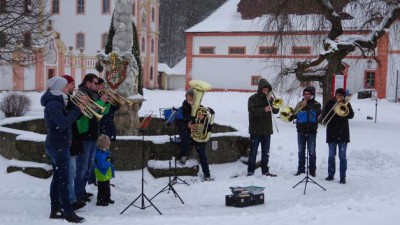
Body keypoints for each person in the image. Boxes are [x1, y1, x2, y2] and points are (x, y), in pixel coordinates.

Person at [40, 76, 85, 223]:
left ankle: (55, 209)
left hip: (59, 144)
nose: (68, 89)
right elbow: (63, 123)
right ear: (59, 88)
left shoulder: (59, 101)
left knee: (58, 178)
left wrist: (78, 110)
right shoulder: (54, 104)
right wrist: (77, 110)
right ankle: (68, 212)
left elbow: (66, 121)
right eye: (66, 86)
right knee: (64, 180)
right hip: (58, 145)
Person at [74, 73, 108, 203]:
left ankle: (81, 192)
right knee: (82, 167)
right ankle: (78, 194)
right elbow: (88, 111)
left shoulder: (94, 94)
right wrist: (100, 101)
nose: (96, 85)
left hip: (93, 134)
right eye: (95, 83)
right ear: (87, 83)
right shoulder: (81, 94)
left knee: (88, 167)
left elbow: (101, 111)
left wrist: (106, 102)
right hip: (84, 134)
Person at [62, 75, 86, 211]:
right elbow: (67, 119)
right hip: (68, 139)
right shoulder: (64, 100)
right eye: (72, 84)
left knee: (72, 170)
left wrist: (81, 106)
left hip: (73, 138)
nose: (74, 87)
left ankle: (70, 199)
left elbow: (78, 116)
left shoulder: (70, 99)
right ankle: (69, 200)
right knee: (69, 172)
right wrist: (78, 107)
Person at [176, 89, 212, 181]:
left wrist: (203, 118)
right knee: (185, 138)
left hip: (198, 135)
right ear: (186, 98)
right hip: (186, 132)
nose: (190, 99)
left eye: (192, 98)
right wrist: (188, 125)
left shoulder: (201, 109)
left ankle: (207, 174)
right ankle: (183, 155)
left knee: (202, 153)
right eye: (188, 98)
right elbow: (178, 123)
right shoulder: (182, 109)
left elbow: (207, 124)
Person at [247, 78, 279, 177]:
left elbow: (276, 112)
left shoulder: (270, 98)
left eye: (267, 89)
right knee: (253, 152)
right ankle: (250, 171)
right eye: (264, 88)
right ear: (260, 88)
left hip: (267, 130)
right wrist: (264, 109)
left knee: (266, 152)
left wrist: (274, 104)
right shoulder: (252, 98)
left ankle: (265, 171)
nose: (266, 90)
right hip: (255, 130)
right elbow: (252, 112)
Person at [322, 88, 354, 184]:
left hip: (343, 134)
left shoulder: (346, 104)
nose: (339, 97)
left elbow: (351, 115)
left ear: (343, 96)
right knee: (331, 155)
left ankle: (342, 176)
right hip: (331, 133)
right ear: (335, 95)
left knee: (342, 156)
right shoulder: (330, 103)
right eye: (337, 95)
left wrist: (343, 109)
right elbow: (324, 117)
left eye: (341, 96)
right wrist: (334, 109)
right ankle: (331, 174)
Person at [292, 86, 321, 177]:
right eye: (305, 94)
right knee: (301, 151)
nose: (306, 95)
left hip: (311, 131)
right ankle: (301, 169)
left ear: (312, 95)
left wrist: (306, 106)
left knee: (311, 151)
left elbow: (316, 114)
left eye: (308, 94)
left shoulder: (317, 104)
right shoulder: (300, 103)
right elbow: (294, 114)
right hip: (301, 130)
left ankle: (312, 170)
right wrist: (290, 115)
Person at [94, 134, 115, 206]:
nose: (108, 145)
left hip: (106, 172)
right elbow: (102, 164)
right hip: (102, 172)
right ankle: (100, 200)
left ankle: (107, 198)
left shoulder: (105, 152)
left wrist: (110, 160)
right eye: (106, 144)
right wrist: (110, 162)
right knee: (102, 187)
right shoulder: (99, 154)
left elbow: (106, 160)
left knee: (107, 186)